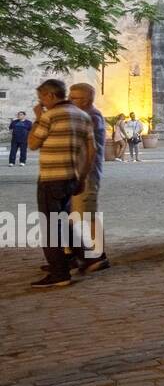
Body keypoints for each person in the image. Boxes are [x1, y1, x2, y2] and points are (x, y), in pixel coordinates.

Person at [27, 79, 95, 289]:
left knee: (50, 226)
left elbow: (32, 144)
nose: (41, 103)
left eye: (42, 98)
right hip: (71, 176)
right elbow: (91, 150)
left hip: (51, 178)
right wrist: (82, 177)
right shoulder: (82, 116)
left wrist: (38, 118)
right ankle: (87, 256)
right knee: (64, 222)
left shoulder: (48, 116)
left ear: (50, 95)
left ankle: (59, 273)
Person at [67, 83, 108, 273]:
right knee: (73, 215)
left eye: (73, 97)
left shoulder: (92, 116)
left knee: (88, 213)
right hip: (76, 172)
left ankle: (98, 256)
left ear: (86, 99)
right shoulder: (82, 115)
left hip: (87, 173)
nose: (69, 100)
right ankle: (75, 255)